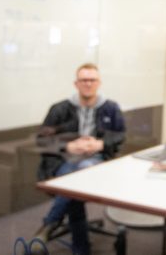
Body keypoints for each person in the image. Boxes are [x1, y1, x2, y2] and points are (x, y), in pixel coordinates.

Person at [34, 63, 126, 255]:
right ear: (76, 83)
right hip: (63, 161)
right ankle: (80, 249)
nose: (88, 84)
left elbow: (121, 135)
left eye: (92, 80)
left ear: (99, 83)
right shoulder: (59, 108)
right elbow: (42, 140)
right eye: (84, 80)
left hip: (97, 159)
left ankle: (49, 224)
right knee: (75, 188)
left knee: (80, 171)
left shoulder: (110, 107)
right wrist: (68, 146)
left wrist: (100, 144)